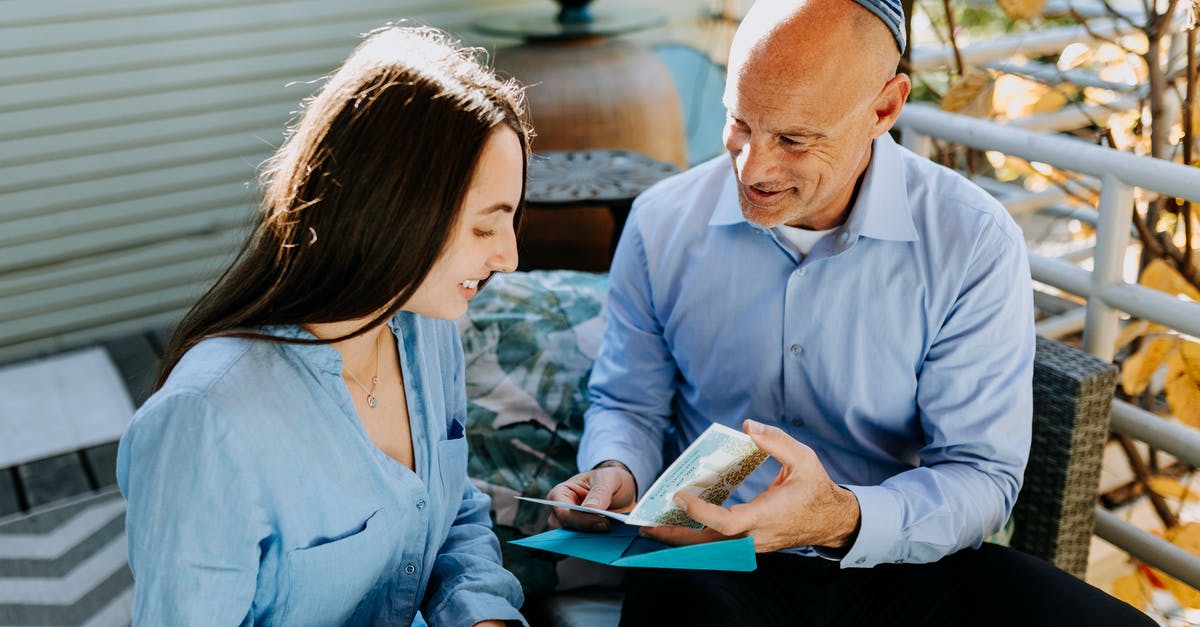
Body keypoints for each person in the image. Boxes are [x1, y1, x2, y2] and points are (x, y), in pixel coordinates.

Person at [546, 1, 1155, 625]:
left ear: (884, 109)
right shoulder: (660, 221)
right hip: (712, 564)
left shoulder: (971, 239)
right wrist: (614, 469)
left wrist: (841, 516)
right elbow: (629, 402)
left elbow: (980, 475)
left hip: (901, 563)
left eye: (794, 138)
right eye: (740, 122)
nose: (752, 167)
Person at [116, 26, 531, 626]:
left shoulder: (422, 324)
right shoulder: (207, 421)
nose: (509, 257)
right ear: (392, 212)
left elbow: (447, 510)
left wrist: (483, 617)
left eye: (512, 220)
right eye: (485, 228)